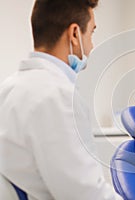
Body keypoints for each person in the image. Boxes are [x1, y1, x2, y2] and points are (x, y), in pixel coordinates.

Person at [0, 0, 121, 199]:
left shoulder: (9, 87)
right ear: (74, 34)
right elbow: (84, 194)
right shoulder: (58, 96)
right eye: (91, 33)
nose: (91, 47)